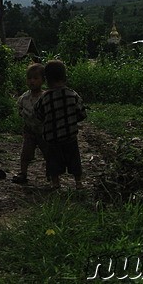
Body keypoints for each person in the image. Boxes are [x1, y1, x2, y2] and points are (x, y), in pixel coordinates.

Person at [34, 60, 87, 189]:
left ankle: (56, 182)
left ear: (46, 79)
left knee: (53, 161)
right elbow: (81, 113)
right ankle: (78, 182)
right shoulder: (72, 95)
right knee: (74, 159)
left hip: (52, 138)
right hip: (70, 136)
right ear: (65, 77)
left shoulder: (44, 98)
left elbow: (38, 114)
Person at [11, 63, 47, 184]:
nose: (32, 81)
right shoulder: (24, 97)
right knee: (26, 153)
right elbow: (19, 108)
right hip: (29, 130)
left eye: (35, 78)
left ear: (43, 80)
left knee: (48, 153)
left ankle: (51, 173)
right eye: (29, 78)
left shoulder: (45, 97)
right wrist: (22, 113)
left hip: (44, 131)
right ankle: (23, 173)